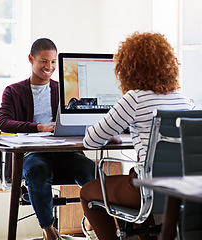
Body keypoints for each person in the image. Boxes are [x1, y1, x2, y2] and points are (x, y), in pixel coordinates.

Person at [80, 32, 197, 240]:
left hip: (147, 190)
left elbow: (91, 141)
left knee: (88, 191)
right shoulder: (184, 100)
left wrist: (111, 135)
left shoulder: (134, 98)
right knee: (134, 180)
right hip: (180, 192)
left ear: (128, 69)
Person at [0, 38, 96, 240]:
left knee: (93, 172)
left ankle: (91, 219)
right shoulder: (13, 91)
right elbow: (3, 123)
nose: (49, 67)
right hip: (33, 155)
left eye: (52, 62)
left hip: (65, 154)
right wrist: (38, 128)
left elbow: (82, 116)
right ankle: (49, 231)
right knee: (38, 171)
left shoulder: (64, 90)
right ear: (31, 59)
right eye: (43, 61)